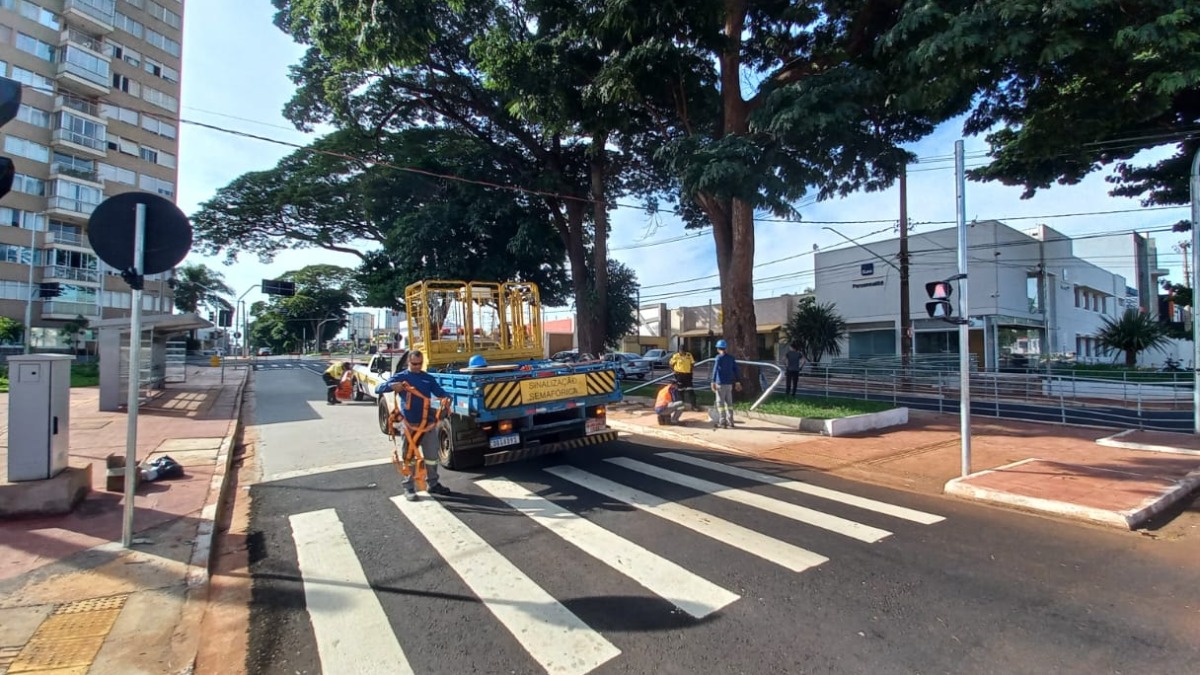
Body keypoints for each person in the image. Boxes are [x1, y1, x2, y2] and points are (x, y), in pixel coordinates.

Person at [375, 350, 453, 500]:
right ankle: (409, 487)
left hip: (428, 425)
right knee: (409, 458)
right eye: (414, 364)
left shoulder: (427, 378)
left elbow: (440, 392)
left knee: (431, 457)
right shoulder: (402, 377)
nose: (417, 367)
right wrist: (392, 386)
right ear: (408, 363)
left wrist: (447, 398)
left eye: (419, 364)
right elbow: (378, 388)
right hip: (410, 425)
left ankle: (433, 484)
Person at [710, 339, 740, 429]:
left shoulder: (718, 358)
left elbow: (715, 370)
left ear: (718, 348)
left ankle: (722, 422)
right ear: (725, 348)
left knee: (720, 404)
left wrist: (712, 381)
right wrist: (738, 381)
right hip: (729, 384)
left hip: (720, 384)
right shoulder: (731, 358)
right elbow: (736, 370)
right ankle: (731, 421)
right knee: (729, 404)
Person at [669, 346, 701, 411]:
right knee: (680, 391)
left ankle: (694, 406)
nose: (681, 352)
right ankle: (681, 407)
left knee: (690, 391)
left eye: (683, 351)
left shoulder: (689, 355)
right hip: (679, 375)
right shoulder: (676, 356)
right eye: (680, 351)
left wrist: (691, 371)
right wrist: (674, 371)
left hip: (688, 375)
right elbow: (671, 364)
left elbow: (692, 363)